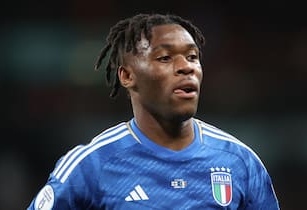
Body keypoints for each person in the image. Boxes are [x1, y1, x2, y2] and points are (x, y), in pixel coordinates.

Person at [28, 13, 280, 209]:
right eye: (165, 58)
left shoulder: (240, 162)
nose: (186, 67)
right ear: (127, 75)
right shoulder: (92, 165)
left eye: (192, 57)